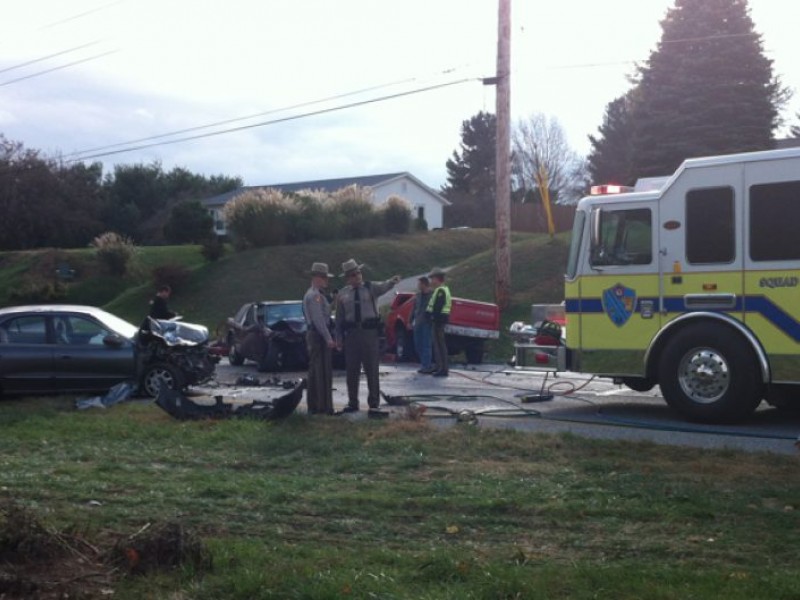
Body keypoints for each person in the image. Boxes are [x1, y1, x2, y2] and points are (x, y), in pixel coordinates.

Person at [335, 258, 400, 414]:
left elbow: (384, 286)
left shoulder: (371, 288)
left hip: (369, 333)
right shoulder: (343, 294)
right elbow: (339, 319)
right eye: (353, 274)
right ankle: (352, 402)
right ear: (348, 278)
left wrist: (392, 281)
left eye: (358, 273)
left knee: (371, 368)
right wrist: (338, 339)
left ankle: (374, 402)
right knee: (352, 370)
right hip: (351, 334)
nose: (357, 276)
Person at [303, 262, 336, 415]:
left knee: (320, 370)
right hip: (318, 335)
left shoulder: (317, 294)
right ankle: (319, 406)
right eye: (324, 278)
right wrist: (328, 338)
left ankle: (321, 406)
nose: (326, 281)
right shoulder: (314, 295)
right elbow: (319, 320)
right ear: (317, 278)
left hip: (317, 334)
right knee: (318, 371)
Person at [426, 267, 452, 377]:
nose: (431, 281)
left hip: (438, 320)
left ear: (437, 279)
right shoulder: (441, 290)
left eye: (432, 279)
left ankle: (442, 368)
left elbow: (437, 307)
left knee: (439, 345)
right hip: (439, 320)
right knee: (438, 344)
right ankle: (439, 366)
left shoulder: (441, 290)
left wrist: (432, 317)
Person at [411, 276, 434, 374]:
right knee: (418, 344)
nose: (418, 286)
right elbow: (414, 309)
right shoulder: (418, 295)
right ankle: (424, 364)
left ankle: (426, 366)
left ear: (424, 284)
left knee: (426, 345)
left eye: (419, 284)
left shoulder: (433, 295)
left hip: (427, 323)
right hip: (418, 323)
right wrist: (409, 320)